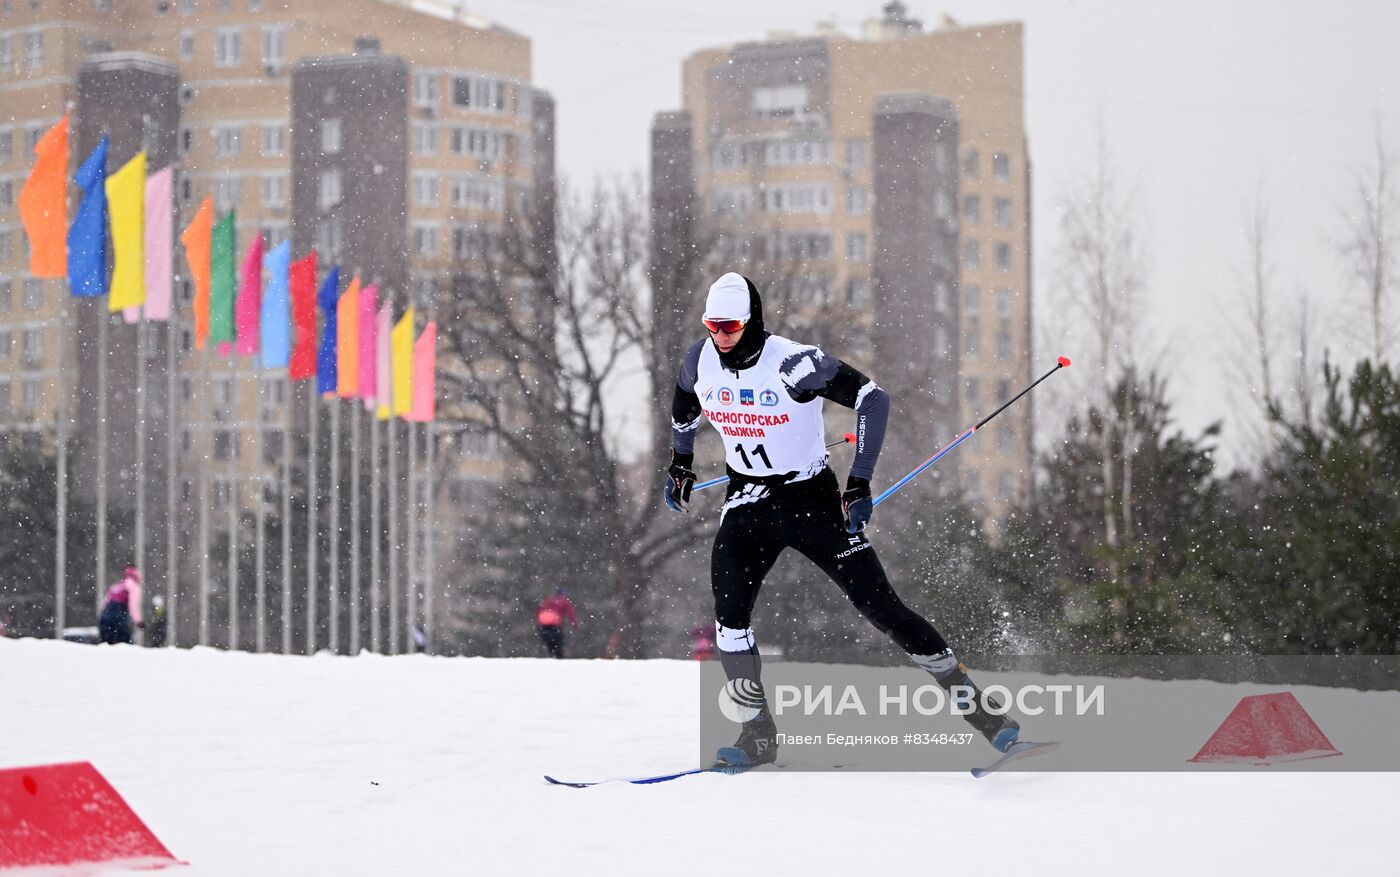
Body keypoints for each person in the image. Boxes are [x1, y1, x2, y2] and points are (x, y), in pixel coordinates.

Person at [665, 272, 1023, 768]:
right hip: (745, 500)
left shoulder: (794, 363)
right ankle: (757, 733)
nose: (721, 336)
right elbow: (684, 402)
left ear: (752, 321)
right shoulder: (699, 359)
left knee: (882, 608)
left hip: (807, 500)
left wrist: (859, 481)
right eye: (713, 325)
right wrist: (680, 463)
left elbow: (873, 399)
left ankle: (989, 719)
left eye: (730, 326)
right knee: (729, 621)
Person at [535, 588, 577, 659]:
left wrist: (538, 622)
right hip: (554, 625)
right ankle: (558, 656)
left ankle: (552, 654)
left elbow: (539, 610)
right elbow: (570, 613)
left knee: (549, 641)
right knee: (558, 641)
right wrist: (574, 623)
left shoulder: (548, 600)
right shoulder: (564, 602)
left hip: (543, 625)